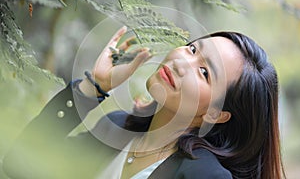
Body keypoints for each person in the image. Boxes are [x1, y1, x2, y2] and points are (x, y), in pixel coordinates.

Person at [2, 26, 285, 179]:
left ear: (215, 113)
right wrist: (94, 87)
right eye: (193, 48)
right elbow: (19, 165)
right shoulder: (115, 129)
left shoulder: (204, 175)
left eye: (204, 72)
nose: (182, 62)